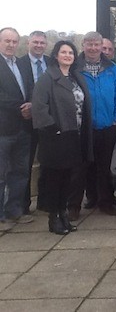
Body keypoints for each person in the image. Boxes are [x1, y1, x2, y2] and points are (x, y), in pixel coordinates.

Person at [32, 40, 93, 235]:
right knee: (54, 180)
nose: (67, 55)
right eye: (63, 52)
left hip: (74, 135)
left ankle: (63, 214)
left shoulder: (76, 77)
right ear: (56, 55)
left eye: (71, 53)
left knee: (68, 179)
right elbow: (39, 107)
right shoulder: (47, 78)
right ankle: (53, 218)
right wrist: (53, 128)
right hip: (55, 136)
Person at [71, 32, 116, 218]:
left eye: (96, 44)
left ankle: (106, 202)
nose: (93, 48)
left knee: (106, 167)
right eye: (89, 44)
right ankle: (74, 207)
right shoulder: (74, 68)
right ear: (83, 45)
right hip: (83, 128)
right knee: (80, 169)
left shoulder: (113, 68)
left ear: (101, 46)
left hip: (108, 126)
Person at [0, 27, 33, 231]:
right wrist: (20, 107)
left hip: (23, 128)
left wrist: (30, 104)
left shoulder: (20, 64)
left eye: (14, 41)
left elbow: (29, 89)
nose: (11, 45)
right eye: (7, 41)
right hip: (3, 129)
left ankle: (14, 210)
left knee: (20, 172)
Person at [17, 30, 49, 214]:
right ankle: (23, 204)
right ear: (28, 42)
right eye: (35, 42)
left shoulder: (51, 63)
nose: (38, 45)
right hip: (26, 121)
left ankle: (45, 201)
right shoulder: (19, 64)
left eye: (41, 43)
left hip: (47, 121)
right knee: (24, 164)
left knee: (47, 162)